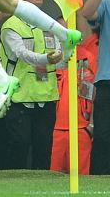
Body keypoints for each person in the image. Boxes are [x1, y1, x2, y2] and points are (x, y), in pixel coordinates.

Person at [0, 0, 64, 169]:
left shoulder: (47, 25)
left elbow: (59, 57)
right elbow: (22, 54)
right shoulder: (11, 25)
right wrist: (48, 58)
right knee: (19, 143)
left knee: (43, 144)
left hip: (44, 94)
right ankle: (15, 180)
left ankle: (43, 182)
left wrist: (65, 54)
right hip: (17, 95)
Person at [51, 17, 97, 175]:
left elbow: (97, 91)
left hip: (81, 128)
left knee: (81, 178)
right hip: (53, 129)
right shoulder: (48, 58)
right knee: (53, 178)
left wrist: (91, 124)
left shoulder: (88, 57)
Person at [79, 0, 110, 174]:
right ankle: (101, 178)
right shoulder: (107, 4)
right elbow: (86, 12)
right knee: (104, 135)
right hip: (107, 80)